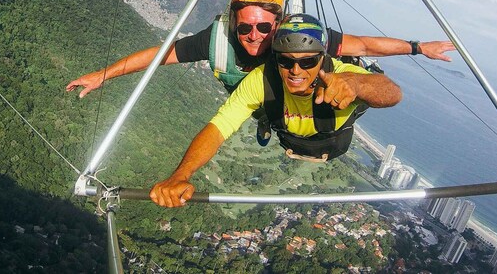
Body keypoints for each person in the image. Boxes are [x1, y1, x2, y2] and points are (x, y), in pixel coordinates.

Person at [149, 13, 402, 208]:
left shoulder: (340, 78)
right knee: (263, 107)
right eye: (286, 61)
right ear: (276, 58)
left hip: (333, 142)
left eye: (307, 61)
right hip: (289, 137)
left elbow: (392, 93)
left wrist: (357, 84)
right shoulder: (262, 79)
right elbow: (219, 126)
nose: (296, 71)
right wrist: (181, 174)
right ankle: (265, 120)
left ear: (322, 58)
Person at [65, 0, 454, 99]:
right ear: (234, 21)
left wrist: (419, 47)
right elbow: (159, 54)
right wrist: (104, 75)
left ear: (278, 24)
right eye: (245, 26)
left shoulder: (296, 38)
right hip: (257, 101)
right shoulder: (216, 39)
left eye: (264, 27)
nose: (253, 35)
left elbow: (365, 45)